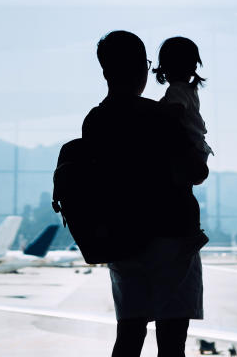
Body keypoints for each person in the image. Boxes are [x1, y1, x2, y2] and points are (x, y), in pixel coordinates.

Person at [81, 30, 209, 357]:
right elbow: (197, 173)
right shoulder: (160, 117)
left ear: (105, 71)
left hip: (122, 240)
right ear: (143, 67)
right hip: (172, 239)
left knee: (129, 335)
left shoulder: (95, 122)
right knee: (171, 340)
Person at [153, 36, 213, 158]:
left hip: (188, 149)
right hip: (199, 147)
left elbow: (175, 114)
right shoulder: (191, 89)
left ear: (164, 67)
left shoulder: (176, 90)